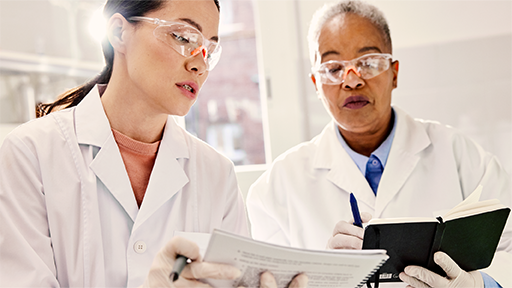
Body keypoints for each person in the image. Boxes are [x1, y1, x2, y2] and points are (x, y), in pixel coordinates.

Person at [0, 0, 307, 287]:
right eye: (184, 38)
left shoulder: (217, 174)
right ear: (119, 33)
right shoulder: (30, 156)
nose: (200, 65)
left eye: (209, 50)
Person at [246, 0, 511, 287]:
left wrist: (479, 284)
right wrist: (324, 278)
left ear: (394, 73)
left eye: (368, 63)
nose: (351, 81)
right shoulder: (278, 187)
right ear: (315, 84)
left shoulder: (460, 156)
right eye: (334, 68)